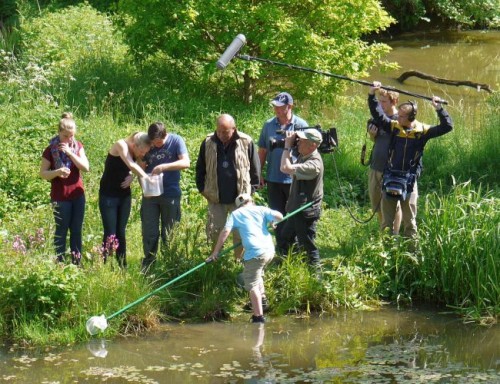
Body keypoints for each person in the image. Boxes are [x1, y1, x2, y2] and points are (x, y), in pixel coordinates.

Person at [368, 81, 453, 240]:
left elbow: (447, 126)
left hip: (409, 180)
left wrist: (439, 109)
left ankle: (411, 255)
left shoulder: (422, 131)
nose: (397, 119)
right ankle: (386, 253)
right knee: (386, 222)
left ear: (411, 117)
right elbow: (377, 113)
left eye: (401, 117)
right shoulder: (394, 126)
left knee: (410, 223)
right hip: (390, 177)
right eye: (397, 116)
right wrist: (372, 94)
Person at [206, 193, 283, 323]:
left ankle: (258, 317)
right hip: (269, 250)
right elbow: (279, 216)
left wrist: (215, 252)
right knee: (256, 275)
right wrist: (271, 221)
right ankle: (262, 300)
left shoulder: (236, 214)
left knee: (251, 283)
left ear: (238, 206)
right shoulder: (261, 209)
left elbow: (225, 231)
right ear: (251, 201)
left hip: (255, 252)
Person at [196, 114, 260, 257]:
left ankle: (239, 261)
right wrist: (203, 189)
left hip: (241, 199)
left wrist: (250, 192)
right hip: (215, 198)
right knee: (214, 231)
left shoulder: (246, 141)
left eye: (225, 132)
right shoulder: (208, 142)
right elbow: (200, 168)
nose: (221, 135)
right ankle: (215, 260)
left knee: (241, 232)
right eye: (218, 131)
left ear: (234, 129)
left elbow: (256, 170)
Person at [258, 92, 308, 244]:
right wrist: (259, 173)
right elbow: (262, 150)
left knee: (294, 214)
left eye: (281, 107)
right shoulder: (268, 125)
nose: (277, 109)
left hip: (294, 178)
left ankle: (296, 247)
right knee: (276, 214)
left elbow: (308, 152)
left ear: (290, 106)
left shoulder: (301, 125)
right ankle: (281, 248)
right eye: (275, 106)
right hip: (273, 177)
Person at [40, 112, 90, 264]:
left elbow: (86, 167)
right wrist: (57, 172)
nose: (69, 139)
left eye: (72, 135)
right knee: (61, 230)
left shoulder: (77, 146)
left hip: (77, 195)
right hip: (60, 196)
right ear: (59, 133)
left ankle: (76, 262)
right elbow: (43, 174)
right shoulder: (50, 150)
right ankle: (59, 263)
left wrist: (70, 153)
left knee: (76, 230)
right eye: (66, 136)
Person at [140, 122, 190, 272]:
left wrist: (164, 167)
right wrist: (143, 183)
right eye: (153, 142)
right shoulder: (147, 143)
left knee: (170, 230)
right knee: (150, 231)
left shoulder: (176, 141)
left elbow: (186, 162)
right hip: (150, 195)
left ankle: (170, 265)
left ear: (165, 135)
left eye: (159, 142)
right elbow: (140, 167)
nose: (156, 145)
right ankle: (149, 265)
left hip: (170, 193)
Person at [98, 132, 151, 268]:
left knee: (121, 231)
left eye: (146, 152)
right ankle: (103, 264)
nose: (143, 154)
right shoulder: (121, 145)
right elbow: (132, 164)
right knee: (111, 232)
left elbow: (138, 165)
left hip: (124, 196)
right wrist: (149, 179)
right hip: (108, 195)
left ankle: (122, 265)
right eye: (142, 151)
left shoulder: (139, 146)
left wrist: (133, 177)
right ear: (134, 145)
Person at [278, 129, 324, 268]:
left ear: (313, 145)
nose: (298, 143)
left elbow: (285, 168)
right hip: (296, 208)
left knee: (308, 244)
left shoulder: (314, 164)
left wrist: (287, 145)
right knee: (285, 238)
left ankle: (316, 276)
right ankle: (286, 266)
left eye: (302, 141)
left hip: (305, 211)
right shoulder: (304, 156)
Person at [366, 88, 403, 234]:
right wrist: (372, 135)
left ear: (394, 101)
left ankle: (394, 235)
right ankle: (384, 232)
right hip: (375, 166)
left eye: (384, 101)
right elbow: (376, 140)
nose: (381, 104)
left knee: (394, 205)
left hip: (391, 170)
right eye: (379, 101)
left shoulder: (399, 120)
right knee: (376, 204)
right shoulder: (376, 119)